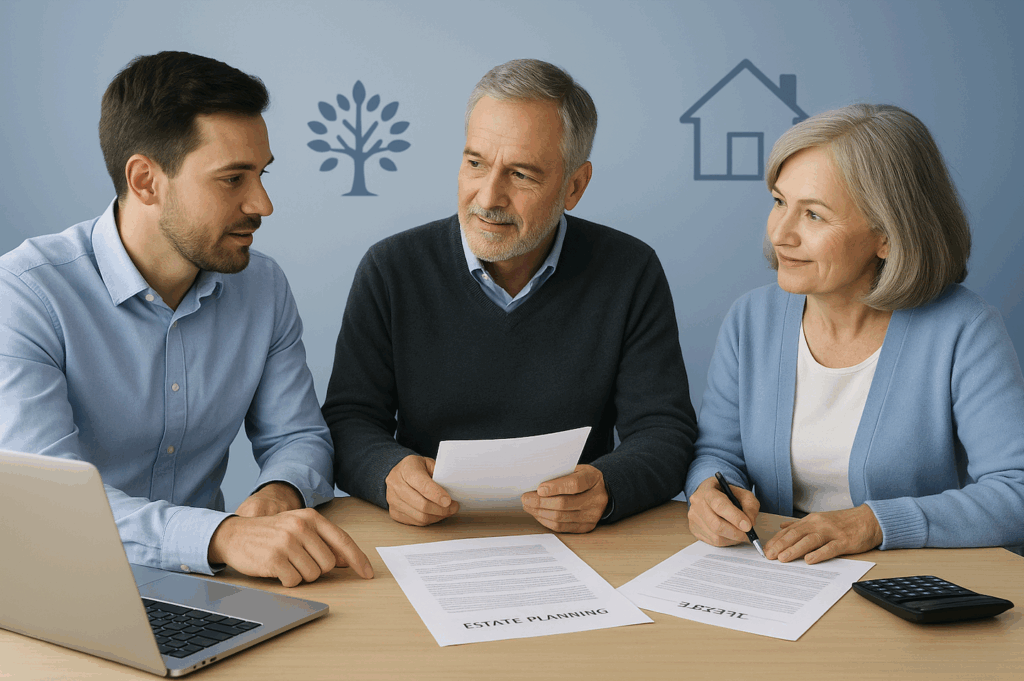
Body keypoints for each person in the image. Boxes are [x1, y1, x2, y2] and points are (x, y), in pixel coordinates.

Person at [0, 51, 372, 587]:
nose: (262, 203)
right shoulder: (26, 295)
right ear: (146, 180)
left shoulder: (262, 288)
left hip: (207, 587)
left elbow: (299, 436)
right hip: (59, 586)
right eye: (232, 179)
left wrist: (280, 494)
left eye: (262, 175)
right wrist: (221, 536)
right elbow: (53, 507)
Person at [322, 59, 696, 532]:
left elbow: (665, 431)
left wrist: (607, 487)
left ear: (574, 186)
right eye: (475, 163)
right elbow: (348, 420)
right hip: (429, 533)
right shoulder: (391, 268)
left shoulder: (630, 270)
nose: (488, 197)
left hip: (580, 540)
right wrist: (387, 473)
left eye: (521, 174)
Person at [685, 103, 1024, 564]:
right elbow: (717, 452)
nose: (781, 234)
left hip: (908, 580)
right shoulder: (752, 319)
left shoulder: (964, 329)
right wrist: (708, 489)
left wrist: (872, 522)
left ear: (887, 235)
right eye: (780, 202)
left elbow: (1015, 491)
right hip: (778, 574)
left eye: (814, 216)